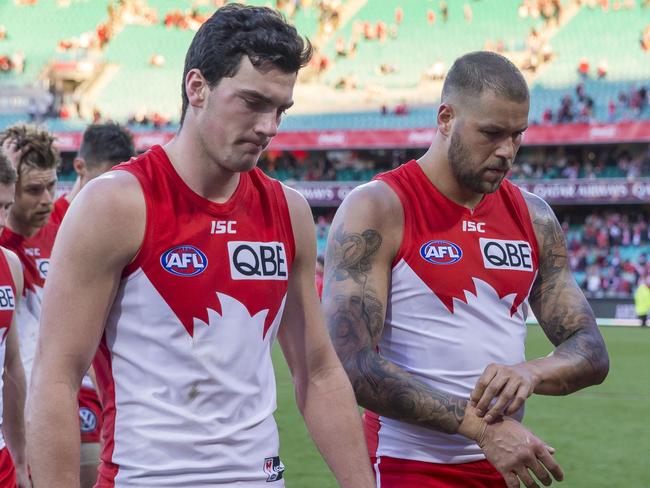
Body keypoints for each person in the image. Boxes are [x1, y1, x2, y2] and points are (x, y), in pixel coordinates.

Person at [28, 5, 374, 487]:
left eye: (280, 109)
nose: (270, 126)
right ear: (197, 87)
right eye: (253, 102)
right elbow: (55, 378)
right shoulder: (116, 205)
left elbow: (317, 372)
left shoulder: (288, 211)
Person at [323, 51, 609, 488]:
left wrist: (529, 372)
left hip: (507, 464)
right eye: (491, 133)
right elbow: (352, 363)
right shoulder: (378, 207)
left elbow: (590, 349)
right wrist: (482, 429)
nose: (506, 152)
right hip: (408, 465)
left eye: (517, 136)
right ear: (445, 118)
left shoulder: (534, 218)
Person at [51, 123, 136, 488]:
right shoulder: (46, 221)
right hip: (59, 387)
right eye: (105, 180)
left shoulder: (126, 227)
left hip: (115, 397)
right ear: (81, 168)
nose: (112, 194)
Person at [0, 153, 29, 487]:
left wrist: (20, 460)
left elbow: (11, 366)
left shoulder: (10, 266)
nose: (2, 220)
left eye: (6, 207)